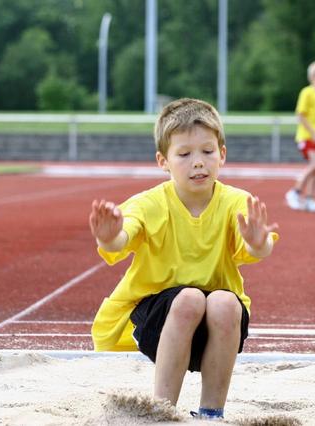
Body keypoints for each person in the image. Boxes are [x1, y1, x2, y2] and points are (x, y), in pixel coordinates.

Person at [89, 98, 279, 420]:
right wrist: (109, 236)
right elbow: (122, 237)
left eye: (207, 152)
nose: (198, 163)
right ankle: (161, 411)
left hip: (218, 330)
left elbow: (258, 250)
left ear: (222, 154)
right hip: (157, 322)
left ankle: (211, 413)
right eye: (185, 154)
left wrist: (259, 243)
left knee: (225, 302)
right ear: (163, 161)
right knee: (189, 298)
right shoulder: (149, 203)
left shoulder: (236, 202)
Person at [285, 61, 315, 212]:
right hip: (308, 136)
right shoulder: (307, 92)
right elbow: (301, 115)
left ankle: (310, 198)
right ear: (313, 77)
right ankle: (295, 191)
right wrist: (313, 133)